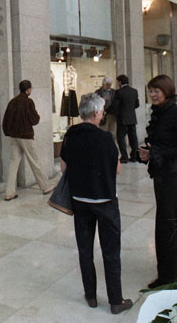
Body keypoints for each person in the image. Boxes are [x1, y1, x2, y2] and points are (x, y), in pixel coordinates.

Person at [60, 93, 133, 314]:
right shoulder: (105, 138)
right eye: (101, 111)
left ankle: (91, 296)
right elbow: (117, 169)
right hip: (105, 201)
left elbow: (64, 167)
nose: (102, 114)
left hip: (79, 200)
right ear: (95, 113)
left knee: (85, 249)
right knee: (111, 251)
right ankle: (115, 300)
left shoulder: (70, 134)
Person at [137, 75, 177, 289]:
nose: (153, 94)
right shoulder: (160, 112)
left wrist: (157, 152)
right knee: (174, 217)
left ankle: (168, 276)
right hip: (163, 172)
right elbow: (160, 143)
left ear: (167, 91)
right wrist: (148, 152)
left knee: (166, 222)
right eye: (150, 91)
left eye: (156, 91)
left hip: (174, 175)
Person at [2, 80, 54, 201]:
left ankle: (9, 192)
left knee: (13, 164)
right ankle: (45, 186)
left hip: (14, 137)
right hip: (26, 137)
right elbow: (35, 120)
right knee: (35, 161)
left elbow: (6, 120)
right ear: (28, 89)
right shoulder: (28, 102)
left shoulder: (12, 102)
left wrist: (8, 132)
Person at [113, 75, 139, 163]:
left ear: (120, 82)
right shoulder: (134, 91)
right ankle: (134, 156)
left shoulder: (119, 92)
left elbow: (115, 105)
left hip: (122, 118)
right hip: (132, 118)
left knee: (121, 137)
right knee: (133, 138)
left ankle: (124, 156)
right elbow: (137, 104)